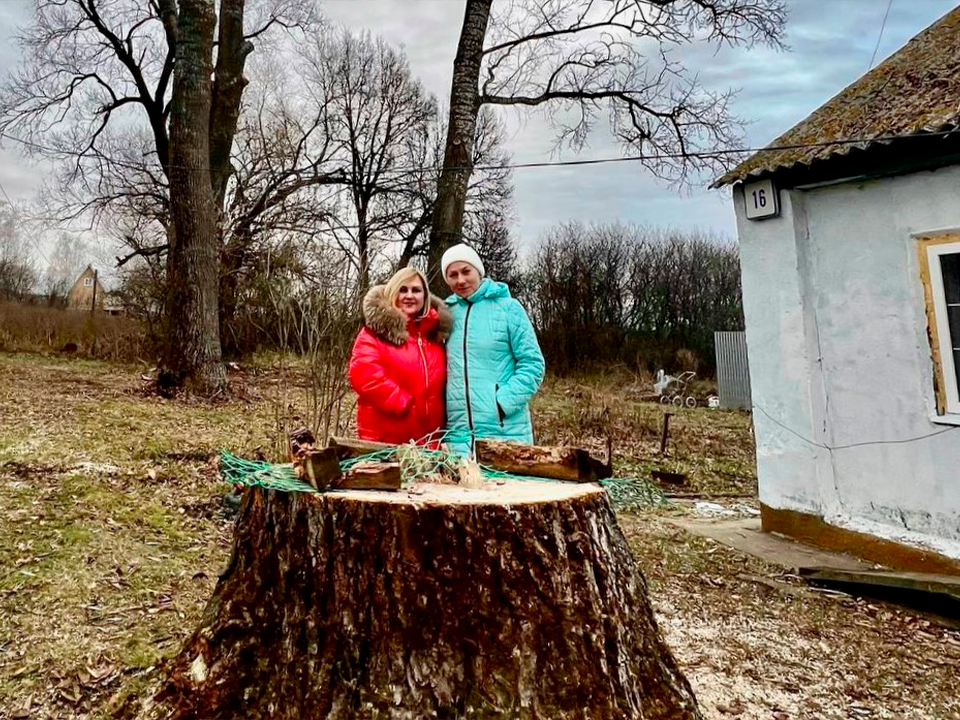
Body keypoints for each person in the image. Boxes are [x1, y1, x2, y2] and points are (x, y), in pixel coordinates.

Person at [442, 243, 545, 457]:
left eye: (466, 271)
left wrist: (502, 403)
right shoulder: (445, 314)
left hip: (505, 433)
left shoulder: (508, 308)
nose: (460, 280)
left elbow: (533, 364)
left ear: (478, 271)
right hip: (457, 438)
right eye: (452, 275)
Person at [348, 267, 451, 445]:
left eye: (416, 290)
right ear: (393, 292)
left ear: (425, 296)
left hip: (429, 441)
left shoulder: (434, 337)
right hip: (385, 440)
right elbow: (364, 375)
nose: (409, 295)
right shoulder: (375, 332)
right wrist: (405, 405)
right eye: (403, 289)